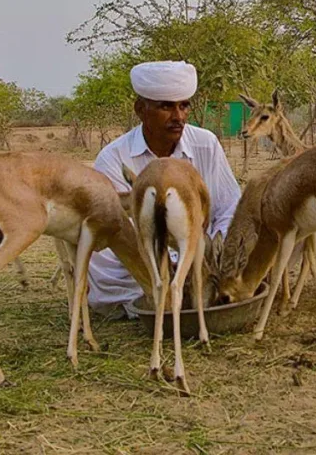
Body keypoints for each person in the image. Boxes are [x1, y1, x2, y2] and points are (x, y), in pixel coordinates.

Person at [87, 61, 241, 319]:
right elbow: (114, 232)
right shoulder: (114, 158)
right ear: (140, 110)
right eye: (166, 107)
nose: (178, 116)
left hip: (202, 257)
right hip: (141, 266)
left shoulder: (206, 144)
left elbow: (228, 206)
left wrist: (211, 253)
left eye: (184, 105)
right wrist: (167, 262)